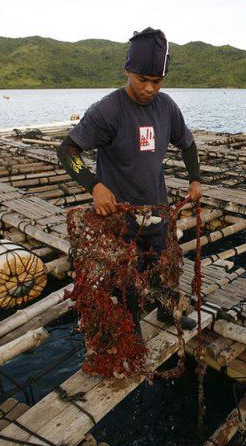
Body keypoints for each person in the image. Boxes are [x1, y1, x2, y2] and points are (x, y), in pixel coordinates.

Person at [57, 27, 202, 331]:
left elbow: (187, 144)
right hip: (120, 217)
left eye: (157, 81)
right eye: (142, 80)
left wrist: (195, 180)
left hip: (157, 210)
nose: (150, 89)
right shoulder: (108, 110)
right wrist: (94, 186)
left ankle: (165, 311)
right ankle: (130, 330)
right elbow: (67, 150)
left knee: (163, 268)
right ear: (127, 71)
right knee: (126, 281)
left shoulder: (167, 107)